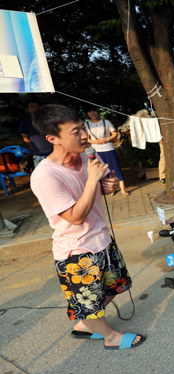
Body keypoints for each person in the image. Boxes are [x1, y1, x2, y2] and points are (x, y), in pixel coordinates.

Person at [30, 104, 144, 349]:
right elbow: (75, 216)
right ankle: (110, 337)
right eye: (75, 132)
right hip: (76, 251)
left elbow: (98, 189)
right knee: (89, 304)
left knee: (117, 285)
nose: (85, 135)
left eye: (83, 127)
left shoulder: (87, 157)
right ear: (53, 139)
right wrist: (93, 180)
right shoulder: (45, 175)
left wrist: (107, 186)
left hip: (102, 238)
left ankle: (84, 323)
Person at [85, 107, 129, 196]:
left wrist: (106, 139)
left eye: (94, 111)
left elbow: (114, 133)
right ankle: (111, 189)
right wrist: (95, 141)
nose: (93, 113)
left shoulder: (106, 122)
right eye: (90, 111)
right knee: (104, 170)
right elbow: (87, 139)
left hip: (108, 148)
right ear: (87, 114)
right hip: (96, 150)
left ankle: (123, 188)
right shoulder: (86, 124)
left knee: (115, 168)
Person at [18, 99, 53, 167]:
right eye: (32, 106)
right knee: (42, 175)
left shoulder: (48, 120)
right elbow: (25, 138)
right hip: (39, 155)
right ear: (27, 110)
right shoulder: (25, 122)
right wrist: (34, 147)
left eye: (37, 106)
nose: (35, 108)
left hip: (55, 152)